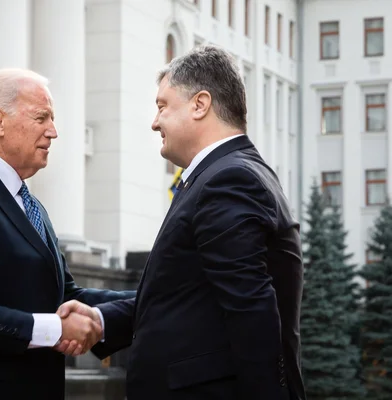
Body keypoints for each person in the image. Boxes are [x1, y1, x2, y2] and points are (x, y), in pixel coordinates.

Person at [59, 45, 307, 399]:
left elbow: (251, 312)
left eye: (162, 106)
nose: (154, 121)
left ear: (200, 104)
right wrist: (102, 321)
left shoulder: (230, 179)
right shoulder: (222, 174)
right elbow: (187, 297)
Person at [0, 68, 135, 400]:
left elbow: (65, 297)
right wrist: (55, 329)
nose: (54, 131)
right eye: (41, 117)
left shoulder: (31, 205)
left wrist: (154, 300)